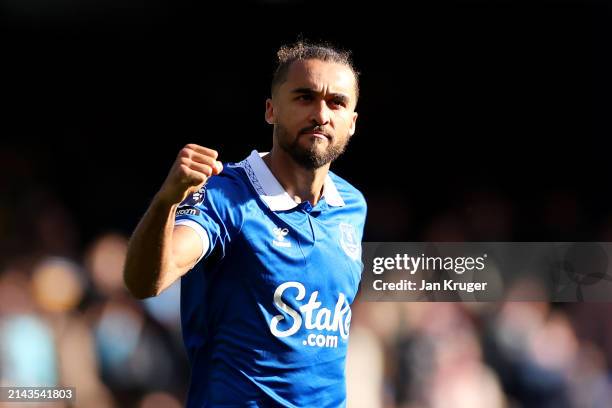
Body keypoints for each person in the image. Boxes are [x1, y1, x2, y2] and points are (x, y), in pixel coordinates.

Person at [123, 41, 367, 407]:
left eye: (337, 102)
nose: (321, 114)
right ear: (271, 110)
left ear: (352, 122)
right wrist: (166, 201)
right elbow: (146, 281)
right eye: (304, 97)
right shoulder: (226, 196)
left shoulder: (352, 206)